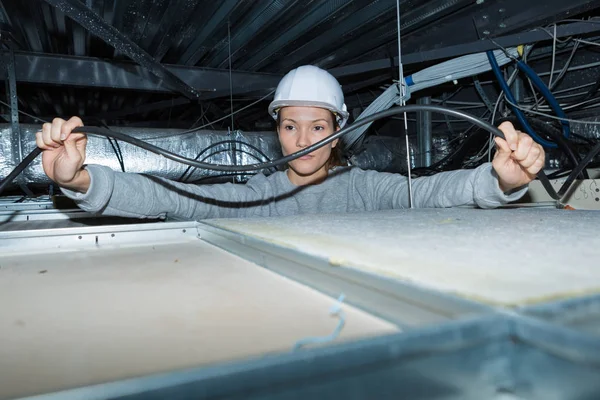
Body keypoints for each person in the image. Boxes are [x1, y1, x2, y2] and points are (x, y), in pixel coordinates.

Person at [36, 65, 544, 220]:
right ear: (277, 129)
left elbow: (432, 193)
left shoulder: (363, 189)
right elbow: (169, 199)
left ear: (340, 130)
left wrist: (499, 182)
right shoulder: (260, 194)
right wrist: (80, 180)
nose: (302, 140)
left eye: (318, 127)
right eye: (290, 126)